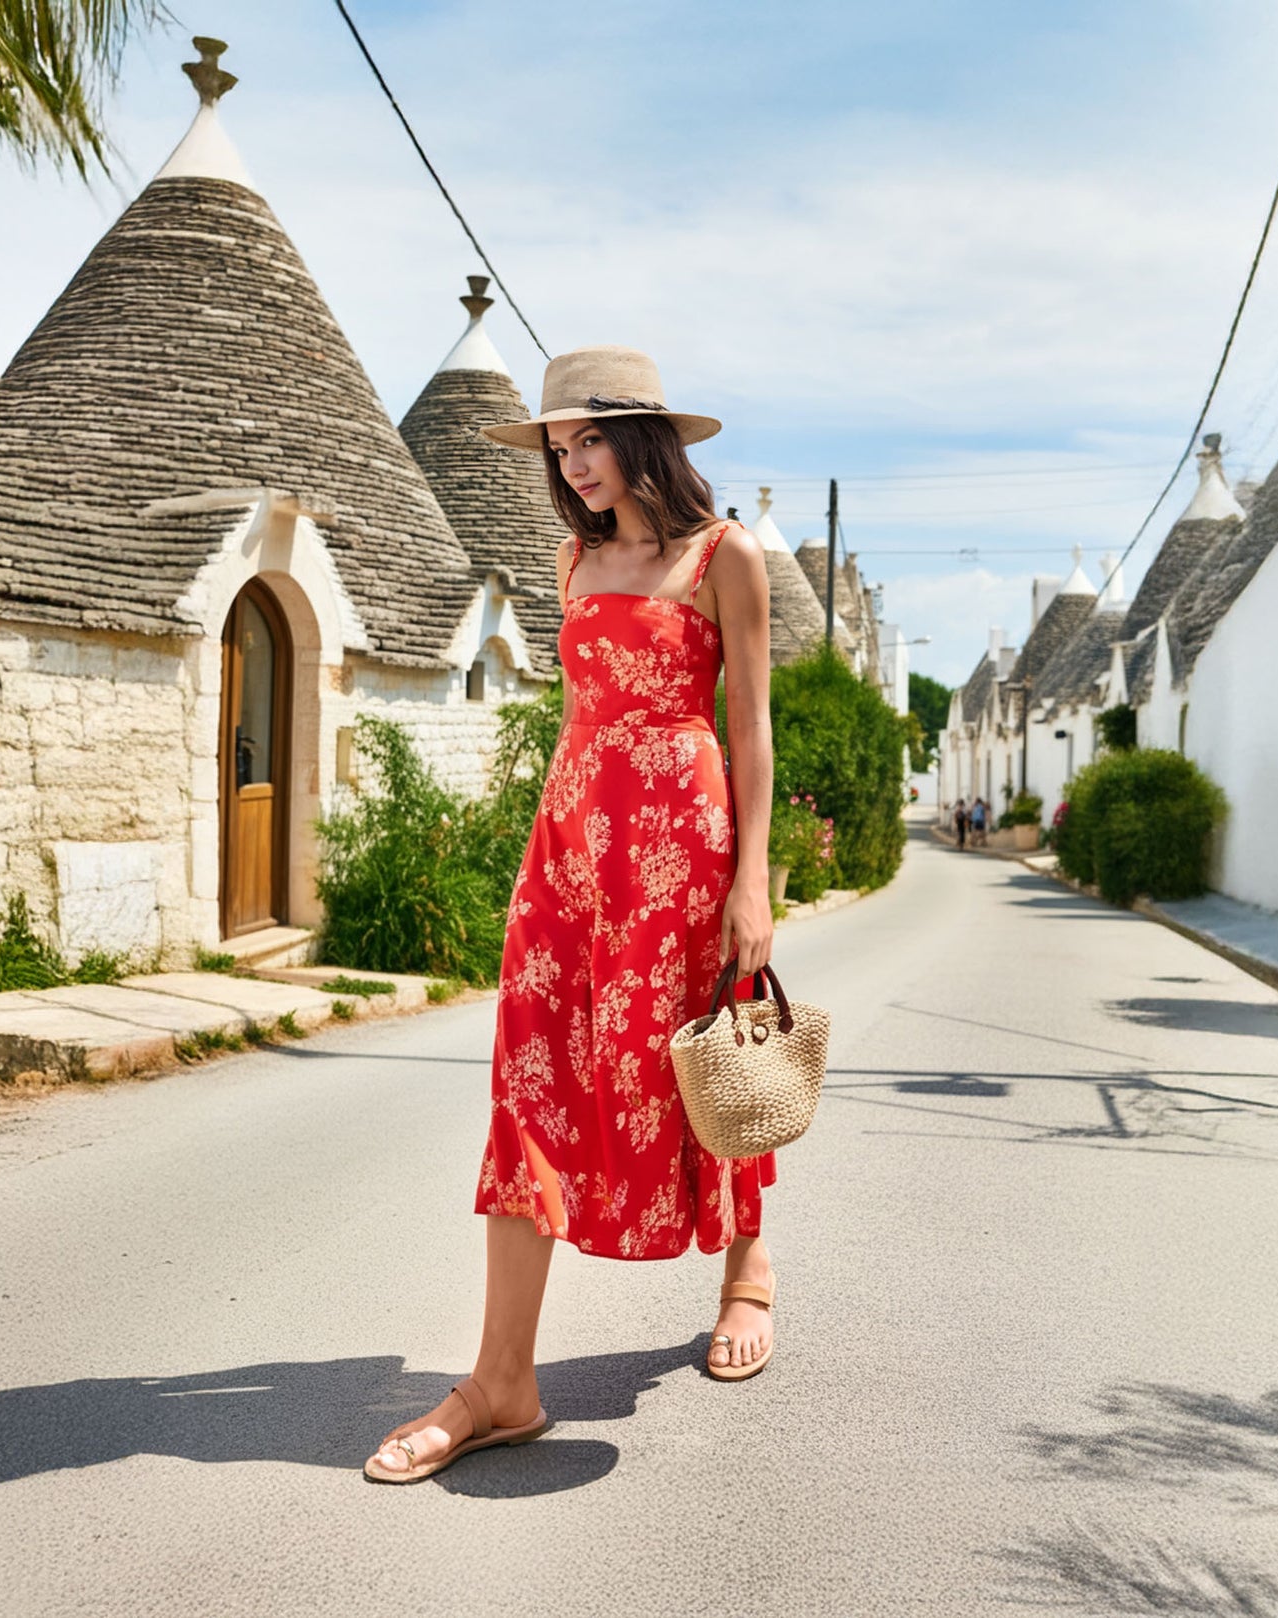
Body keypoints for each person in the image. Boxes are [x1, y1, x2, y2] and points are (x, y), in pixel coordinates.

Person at [364, 348, 779, 1484]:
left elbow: (747, 727)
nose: (573, 466)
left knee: (700, 1063)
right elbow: (575, 725)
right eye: (558, 448)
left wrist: (752, 881)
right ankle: (503, 1379)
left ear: (642, 439)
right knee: (531, 1081)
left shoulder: (721, 557)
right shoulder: (570, 562)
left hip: (683, 855)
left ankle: (746, 1268)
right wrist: (540, 857)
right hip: (573, 854)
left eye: (587, 440)